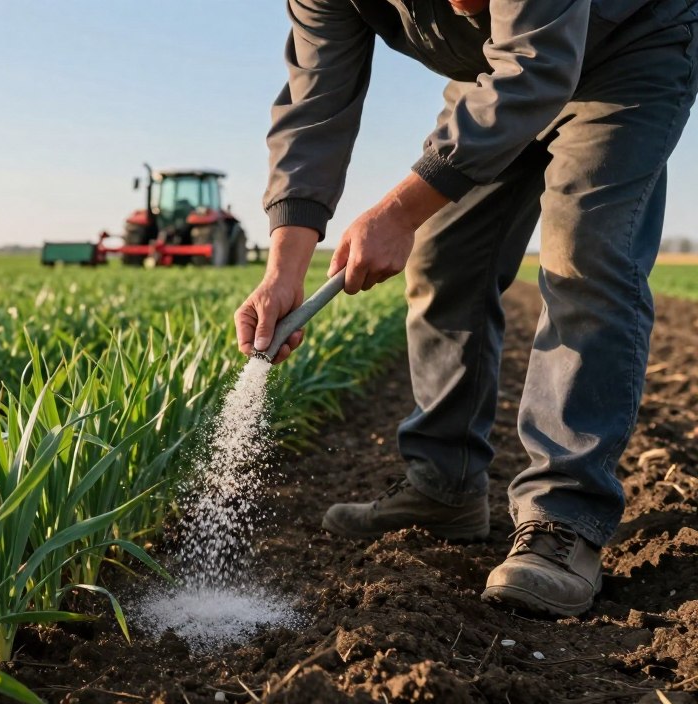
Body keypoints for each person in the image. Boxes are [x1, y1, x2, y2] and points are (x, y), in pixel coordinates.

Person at [236, 0, 698, 617]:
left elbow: (537, 64)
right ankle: (444, 485)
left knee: (585, 256)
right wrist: (283, 269)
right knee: (444, 259)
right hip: (498, 71)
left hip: (626, 49)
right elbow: (316, 103)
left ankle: (562, 518)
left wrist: (397, 213)